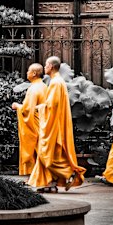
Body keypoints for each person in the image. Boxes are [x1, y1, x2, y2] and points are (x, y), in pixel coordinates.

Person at [27, 56, 86, 193]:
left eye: (46, 65)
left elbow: (51, 106)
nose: (44, 68)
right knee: (53, 154)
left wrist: (38, 108)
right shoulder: (57, 81)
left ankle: (70, 172)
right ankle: (50, 183)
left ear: (51, 66)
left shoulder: (55, 83)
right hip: (56, 123)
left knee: (45, 154)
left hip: (53, 124)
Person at [12, 63, 47, 176]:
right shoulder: (44, 86)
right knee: (41, 149)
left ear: (34, 73)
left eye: (28, 71)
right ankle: (43, 175)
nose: (26, 73)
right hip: (43, 122)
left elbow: (27, 110)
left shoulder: (33, 89)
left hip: (34, 125)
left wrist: (17, 106)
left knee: (33, 148)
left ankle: (33, 175)